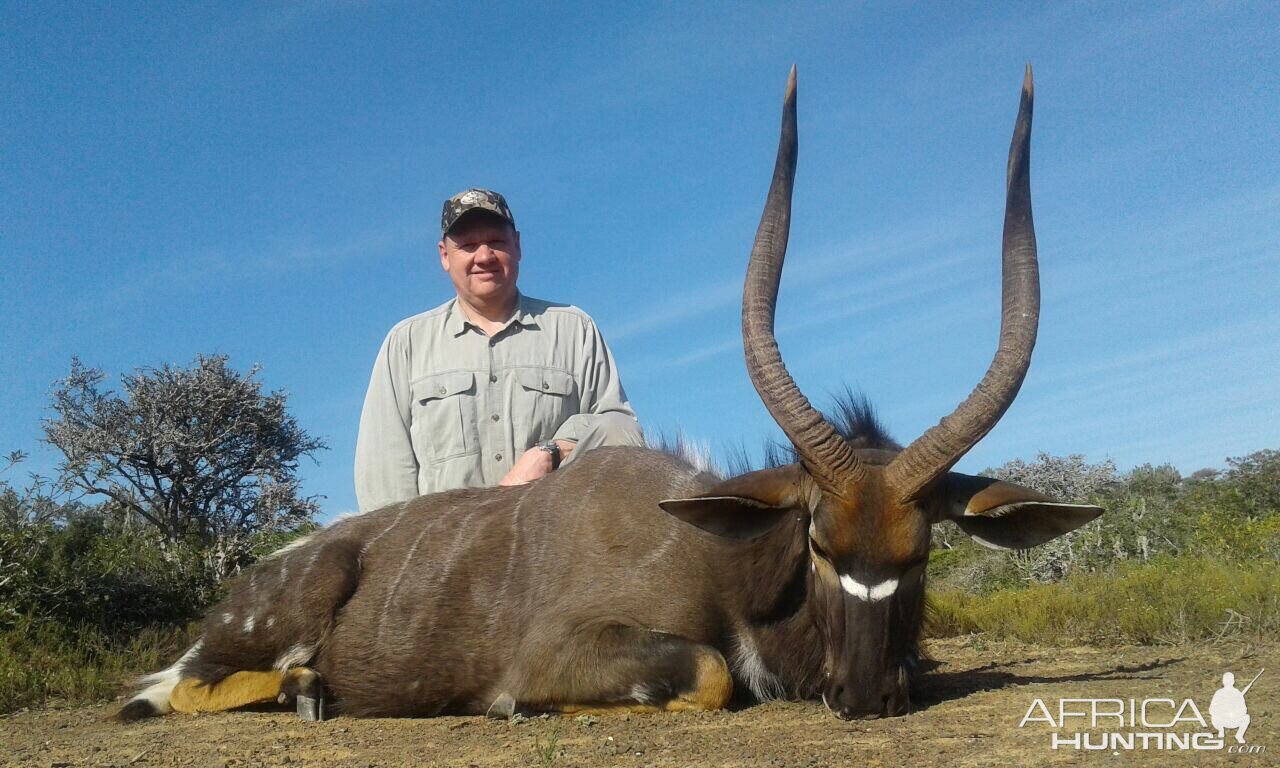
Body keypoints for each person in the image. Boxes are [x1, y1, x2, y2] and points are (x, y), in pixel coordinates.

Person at [354, 188, 643, 512]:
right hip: (447, 556)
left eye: (496, 241)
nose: (484, 256)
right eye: (467, 245)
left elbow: (623, 430)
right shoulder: (405, 343)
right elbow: (382, 478)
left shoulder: (574, 329)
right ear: (444, 256)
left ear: (517, 245)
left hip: (555, 549)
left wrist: (552, 452)